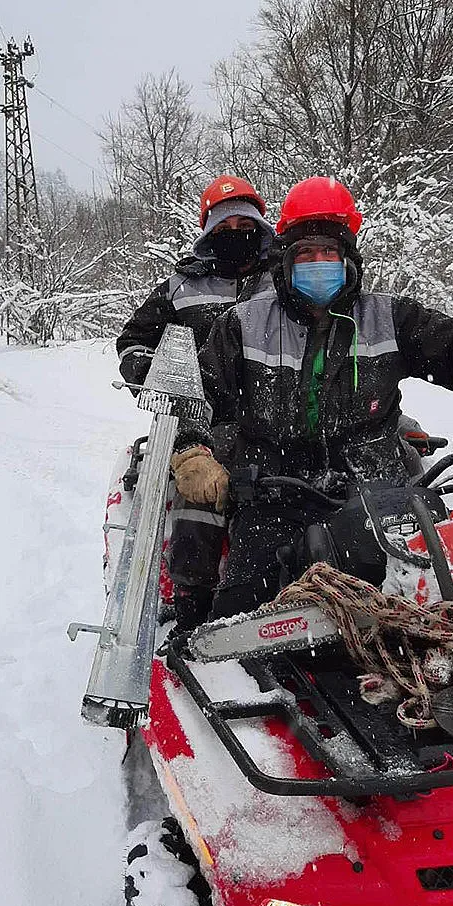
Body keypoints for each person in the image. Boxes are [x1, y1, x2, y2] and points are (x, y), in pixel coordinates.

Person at [169, 175, 453, 620]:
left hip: (379, 491)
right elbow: (196, 391)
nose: (318, 262)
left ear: (347, 258)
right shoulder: (244, 323)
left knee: (428, 609)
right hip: (272, 492)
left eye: (328, 252)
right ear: (286, 261)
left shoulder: (388, 317)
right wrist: (192, 450)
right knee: (240, 617)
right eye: (306, 253)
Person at [115, 175, 275, 629]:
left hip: (276, 405)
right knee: (200, 491)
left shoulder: (285, 278)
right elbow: (133, 340)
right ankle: (192, 602)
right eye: (225, 224)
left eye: (246, 222)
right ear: (208, 229)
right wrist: (159, 373)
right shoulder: (180, 286)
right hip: (204, 414)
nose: (236, 231)